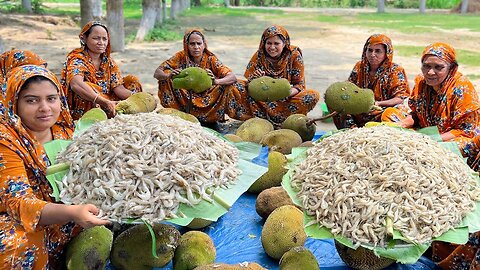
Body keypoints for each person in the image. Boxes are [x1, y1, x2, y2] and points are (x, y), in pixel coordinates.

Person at [0, 65, 109, 269]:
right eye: (31, 100)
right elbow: (19, 203)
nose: (45, 108)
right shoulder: (6, 141)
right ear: (14, 103)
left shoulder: (68, 132)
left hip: (74, 215)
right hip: (24, 219)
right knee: (16, 245)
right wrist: (72, 212)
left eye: (51, 98)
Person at [154, 28, 246, 126]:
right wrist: (168, 75)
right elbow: (157, 73)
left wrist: (215, 81)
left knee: (231, 85)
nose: (196, 47)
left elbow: (232, 77)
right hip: (185, 94)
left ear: (204, 45)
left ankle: (212, 119)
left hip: (207, 95)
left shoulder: (210, 59)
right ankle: (177, 116)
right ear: (186, 45)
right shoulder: (180, 56)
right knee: (165, 79)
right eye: (192, 44)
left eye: (199, 43)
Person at [394, 42, 480, 144]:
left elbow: (466, 131)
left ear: (451, 69)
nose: (430, 72)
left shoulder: (462, 88)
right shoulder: (421, 82)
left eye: (438, 67)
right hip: (426, 132)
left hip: (451, 137)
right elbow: (416, 114)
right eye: (426, 66)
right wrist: (402, 124)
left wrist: (431, 140)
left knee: (463, 144)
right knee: (390, 114)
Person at [61, 21, 142, 120]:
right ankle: (91, 119)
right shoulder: (77, 59)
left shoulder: (108, 61)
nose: (101, 43)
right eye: (96, 38)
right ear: (84, 39)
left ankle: (117, 112)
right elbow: (76, 84)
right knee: (88, 88)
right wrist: (104, 102)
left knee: (133, 82)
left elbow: (118, 89)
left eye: (104, 39)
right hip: (89, 102)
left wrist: (138, 98)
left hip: (107, 101)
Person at [243, 25, 319, 124]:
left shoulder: (294, 55)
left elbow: (299, 85)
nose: (272, 47)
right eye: (269, 43)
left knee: (312, 95)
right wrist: (255, 79)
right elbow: (250, 85)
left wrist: (284, 93)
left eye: (276, 43)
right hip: (263, 101)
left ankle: (288, 121)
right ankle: (262, 120)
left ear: (284, 44)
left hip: (286, 100)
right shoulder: (259, 55)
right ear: (263, 43)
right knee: (238, 86)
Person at [334, 34, 410, 129]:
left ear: (386, 53)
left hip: (381, 110)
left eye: (378, 51)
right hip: (361, 109)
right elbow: (349, 86)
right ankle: (352, 131)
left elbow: (401, 98)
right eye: (369, 50)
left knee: (391, 114)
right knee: (337, 105)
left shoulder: (395, 70)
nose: (372, 54)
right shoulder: (359, 67)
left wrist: (378, 103)